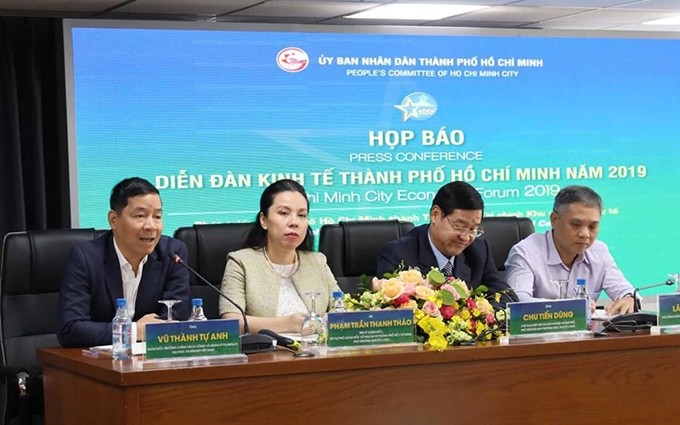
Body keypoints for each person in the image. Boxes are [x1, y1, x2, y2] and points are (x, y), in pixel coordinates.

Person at [58, 177, 191, 348]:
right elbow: (71, 329)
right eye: (140, 216)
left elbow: (176, 319)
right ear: (113, 220)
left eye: (157, 216)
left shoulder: (173, 254)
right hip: (100, 364)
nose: (151, 226)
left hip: (153, 364)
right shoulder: (86, 258)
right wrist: (134, 331)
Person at [220, 179, 340, 333]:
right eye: (284, 213)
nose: (294, 222)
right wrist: (287, 324)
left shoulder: (317, 261)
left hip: (320, 352)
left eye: (302, 215)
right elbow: (231, 321)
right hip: (266, 354)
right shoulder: (240, 262)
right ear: (264, 220)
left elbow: (342, 310)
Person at [376, 181, 518, 306]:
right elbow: (396, 313)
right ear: (435, 215)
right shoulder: (398, 254)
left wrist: (477, 314)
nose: (465, 237)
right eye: (459, 226)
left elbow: (508, 298)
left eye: (473, 229)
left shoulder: (479, 250)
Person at [505, 185, 635, 315]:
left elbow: (624, 291)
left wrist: (629, 299)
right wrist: (569, 308)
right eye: (576, 224)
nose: (585, 234)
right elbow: (517, 302)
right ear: (554, 220)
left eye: (592, 226)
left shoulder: (599, 252)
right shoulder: (525, 252)